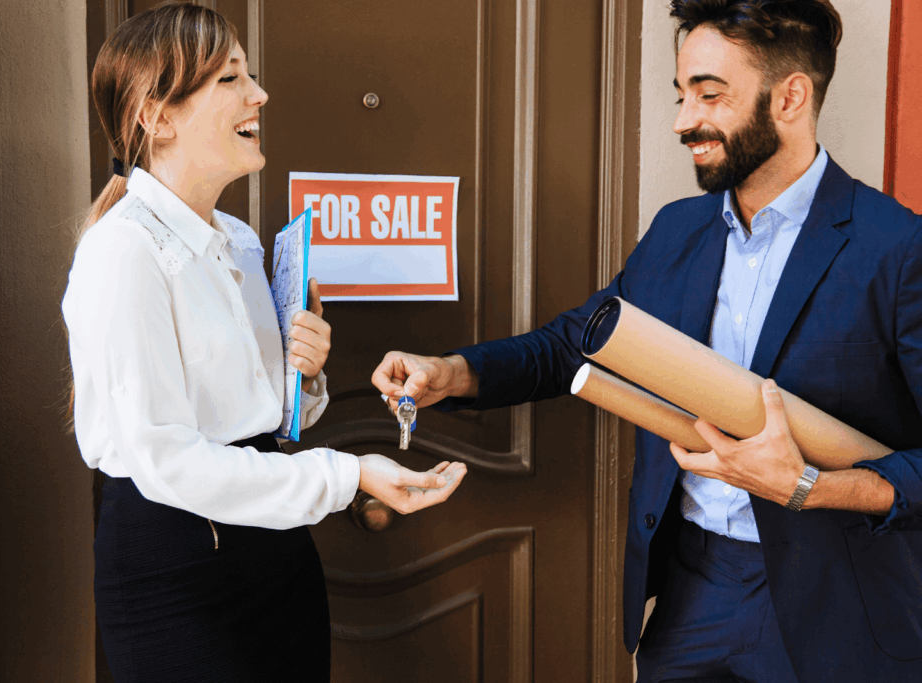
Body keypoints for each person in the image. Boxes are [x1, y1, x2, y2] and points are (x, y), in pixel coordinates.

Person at [372, 1, 921, 681]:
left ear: (791, 96)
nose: (682, 120)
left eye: (709, 94)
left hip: (839, 607)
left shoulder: (898, 248)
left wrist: (810, 485)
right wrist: (452, 371)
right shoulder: (676, 231)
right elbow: (575, 344)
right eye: (681, 92)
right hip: (693, 591)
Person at [62, 4, 466, 681]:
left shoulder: (244, 242)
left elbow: (270, 419)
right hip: (179, 567)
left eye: (251, 75)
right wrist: (352, 473)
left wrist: (303, 378)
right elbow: (169, 459)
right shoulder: (123, 251)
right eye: (229, 79)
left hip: (274, 550)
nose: (260, 94)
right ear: (156, 116)